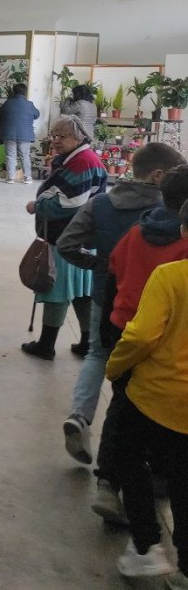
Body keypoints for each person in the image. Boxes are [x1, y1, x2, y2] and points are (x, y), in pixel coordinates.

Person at [55, 143, 185, 465]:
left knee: (98, 353)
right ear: (159, 176)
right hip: (162, 307)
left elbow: (66, 244)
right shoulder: (170, 213)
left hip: (108, 296)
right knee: (139, 371)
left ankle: (80, 416)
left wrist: (97, 264)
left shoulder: (100, 204)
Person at [92, 165, 188, 526]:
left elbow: (112, 276)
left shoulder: (136, 232)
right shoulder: (183, 249)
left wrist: (106, 330)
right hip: (161, 339)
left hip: (123, 327)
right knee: (154, 417)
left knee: (121, 405)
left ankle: (107, 480)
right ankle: (155, 482)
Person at [104, 211, 188, 585]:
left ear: (184, 230)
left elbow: (141, 337)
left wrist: (114, 366)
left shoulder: (171, 277)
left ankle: (146, 545)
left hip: (153, 398)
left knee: (127, 458)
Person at [22, 115, 107, 360]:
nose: (56, 140)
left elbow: (68, 203)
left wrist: (37, 205)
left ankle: (46, 345)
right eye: (54, 135)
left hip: (67, 239)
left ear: (79, 137)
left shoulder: (81, 162)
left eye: (62, 136)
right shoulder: (80, 158)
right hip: (83, 240)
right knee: (82, 293)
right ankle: (87, 343)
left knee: (57, 290)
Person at [0, 82, 40, 183]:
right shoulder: (29, 104)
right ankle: (27, 178)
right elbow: (37, 115)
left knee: (10, 156)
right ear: (25, 93)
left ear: (14, 92)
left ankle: (11, 178)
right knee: (24, 156)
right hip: (25, 134)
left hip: (9, 133)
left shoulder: (8, 103)